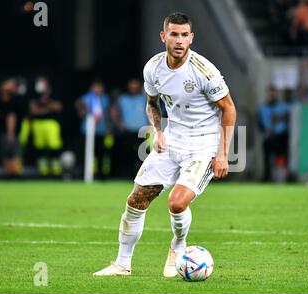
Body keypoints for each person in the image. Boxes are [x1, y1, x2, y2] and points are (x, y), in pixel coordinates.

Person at [93, 12, 237, 277]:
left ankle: (178, 247)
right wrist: (157, 132)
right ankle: (122, 264)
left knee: (176, 203)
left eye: (184, 35)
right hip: (172, 140)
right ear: (164, 37)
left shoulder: (204, 71)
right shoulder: (153, 68)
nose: (179, 40)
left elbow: (229, 109)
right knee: (136, 199)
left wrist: (222, 155)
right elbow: (151, 103)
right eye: (174, 34)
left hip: (203, 146)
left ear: (191, 38)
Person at [75, 79, 113, 179]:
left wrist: (109, 129)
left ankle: (101, 175)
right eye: (96, 87)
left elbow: (108, 114)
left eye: (100, 88)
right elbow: (80, 111)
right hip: (87, 130)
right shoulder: (86, 98)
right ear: (92, 88)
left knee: (101, 153)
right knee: (86, 153)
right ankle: (84, 173)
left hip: (101, 130)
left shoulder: (105, 99)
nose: (98, 89)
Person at [111, 79, 148, 178]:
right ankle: (127, 175)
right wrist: (119, 124)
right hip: (127, 131)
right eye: (132, 86)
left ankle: (142, 177)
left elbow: (151, 110)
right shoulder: (122, 99)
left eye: (135, 86)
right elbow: (114, 112)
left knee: (142, 156)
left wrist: (150, 124)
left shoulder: (144, 98)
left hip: (142, 131)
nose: (133, 88)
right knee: (127, 155)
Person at [29, 76, 63, 176]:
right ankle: (43, 168)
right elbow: (33, 111)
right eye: (39, 82)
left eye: (42, 82)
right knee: (40, 146)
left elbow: (58, 107)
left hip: (51, 123)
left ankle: (55, 167)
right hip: (38, 124)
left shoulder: (54, 93)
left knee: (54, 145)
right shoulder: (34, 94)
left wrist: (45, 105)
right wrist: (48, 108)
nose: (40, 84)